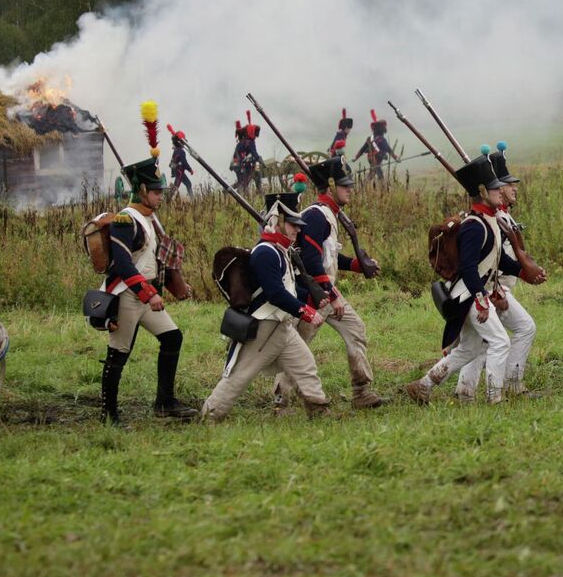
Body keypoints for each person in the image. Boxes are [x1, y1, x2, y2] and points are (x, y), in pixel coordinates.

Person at [97, 110, 195, 425]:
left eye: (160, 191)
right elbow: (124, 264)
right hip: (128, 295)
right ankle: (108, 414)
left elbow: (154, 260)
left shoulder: (148, 219)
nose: (160, 196)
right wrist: (148, 293)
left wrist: (173, 284)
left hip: (146, 292)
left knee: (172, 338)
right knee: (119, 354)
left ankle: (164, 402)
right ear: (142, 191)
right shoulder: (126, 219)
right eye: (155, 191)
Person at [201, 193, 331, 420]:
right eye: (292, 225)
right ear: (277, 221)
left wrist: (311, 298)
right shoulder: (266, 252)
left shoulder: (280, 251)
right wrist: (305, 311)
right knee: (240, 375)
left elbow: (288, 290)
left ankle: (319, 409)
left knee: (305, 365)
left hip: (281, 325)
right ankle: (210, 414)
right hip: (266, 326)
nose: (297, 230)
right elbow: (275, 293)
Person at [405, 149, 519, 405]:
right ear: (481, 192)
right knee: (500, 342)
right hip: (469, 296)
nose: (500, 192)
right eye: (494, 189)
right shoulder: (474, 226)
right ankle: (495, 398)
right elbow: (468, 268)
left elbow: (495, 261)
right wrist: (480, 298)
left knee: (469, 349)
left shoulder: (488, 220)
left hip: (471, 294)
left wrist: (522, 271)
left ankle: (423, 385)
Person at [275, 156, 386, 409]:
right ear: (331, 185)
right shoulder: (317, 216)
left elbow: (328, 257)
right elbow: (312, 261)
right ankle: (282, 402)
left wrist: (357, 265)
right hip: (313, 293)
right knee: (297, 350)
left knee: (355, 330)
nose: (350, 189)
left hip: (325, 290)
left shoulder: (329, 214)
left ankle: (362, 391)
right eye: (345, 185)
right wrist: (332, 293)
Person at [456, 143, 543, 400]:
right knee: (523, 329)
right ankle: (508, 386)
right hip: (495, 288)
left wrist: (525, 271)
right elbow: (491, 261)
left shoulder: (500, 215)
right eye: (505, 184)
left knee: (481, 344)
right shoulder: (493, 218)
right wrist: (495, 293)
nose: (512, 187)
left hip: (494, 287)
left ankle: (464, 390)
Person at [354, 110, 395, 183]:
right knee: (378, 173)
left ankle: (364, 185)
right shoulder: (382, 140)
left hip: (370, 158)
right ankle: (382, 187)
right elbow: (389, 149)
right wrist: (396, 157)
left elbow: (362, 149)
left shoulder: (370, 138)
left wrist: (356, 158)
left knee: (372, 173)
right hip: (376, 159)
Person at [230, 112, 263, 193]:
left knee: (241, 181)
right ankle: (257, 191)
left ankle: (227, 190)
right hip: (243, 164)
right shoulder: (250, 142)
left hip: (237, 164)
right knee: (254, 177)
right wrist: (261, 161)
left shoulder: (241, 142)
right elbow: (254, 154)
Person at [167, 126, 194, 199]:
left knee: (188, 184)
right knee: (175, 188)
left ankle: (193, 200)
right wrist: (190, 169)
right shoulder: (181, 152)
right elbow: (184, 163)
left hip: (178, 171)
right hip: (179, 172)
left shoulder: (176, 150)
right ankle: (167, 201)